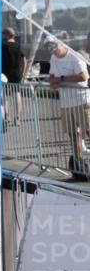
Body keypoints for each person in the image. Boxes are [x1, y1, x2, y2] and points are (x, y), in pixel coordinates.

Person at [48, 39, 90, 177]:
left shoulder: (75, 56)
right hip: (66, 102)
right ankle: (78, 164)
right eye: (50, 48)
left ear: (62, 44)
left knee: (88, 130)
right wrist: (54, 81)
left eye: (55, 46)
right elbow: (52, 77)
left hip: (81, 99)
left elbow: (83, 76)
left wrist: (61, 80)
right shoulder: (53, 57)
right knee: (73, 134)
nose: (53, 50)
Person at [1, 28, 26, 127]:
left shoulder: (3, 46)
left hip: (5, 74)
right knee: (17, 94)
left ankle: (7, 117)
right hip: (17, 73)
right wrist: (23, 72)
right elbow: (24, 60)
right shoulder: (18, 46)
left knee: (5, 96)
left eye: (3, 34)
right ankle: (18, 117)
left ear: (7, 35)